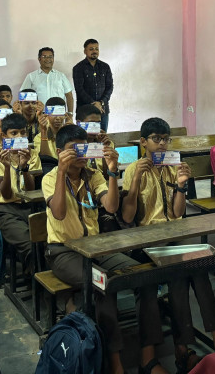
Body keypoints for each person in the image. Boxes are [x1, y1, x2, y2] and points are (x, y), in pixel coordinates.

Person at [42, 124, 166, 374]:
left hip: (97, 247)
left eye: (84, 148)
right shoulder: (50, 178)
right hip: (63, 252)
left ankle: (148, 356)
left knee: (145, 276)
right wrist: (61, 172)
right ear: (60, 152)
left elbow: (110, 207)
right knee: (103, 284)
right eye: (73, 149)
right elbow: (59, 212)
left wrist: (111, 171)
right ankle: (115, 361)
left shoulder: (92, 175)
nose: (81, 154)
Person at [122, 117, 215, 371]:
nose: (161, 144)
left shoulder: (173, 167)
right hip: (144, 240)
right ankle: (164, 353)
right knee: (156, 279)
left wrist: (181, 186)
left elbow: (178, 213)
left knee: (198, 267)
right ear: (143, 142)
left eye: (165, 139)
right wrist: (136, 180)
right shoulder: (133, 169)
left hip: (173, 236)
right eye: (156, 139)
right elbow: (127, 217)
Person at [0, 113, 41, 273]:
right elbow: (5, 194)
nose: (19, 136)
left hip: (31, 206)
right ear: (4, 136)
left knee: (46, 243)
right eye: (14, 133)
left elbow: (31, 190)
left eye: (23, 132)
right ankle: (36, 280)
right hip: (7, 210)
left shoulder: (31, 154)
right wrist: (6, 167)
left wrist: (24, 167)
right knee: (31, 246)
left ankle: (34, 274)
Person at [72, 39, 114, 132]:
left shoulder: (105, 67)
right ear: (85, 51)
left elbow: (110, 87)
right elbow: (79, 89)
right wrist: (94, 104)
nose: (94, 51)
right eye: (91, 49)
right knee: (83, 138)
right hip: (84, 112)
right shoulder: (78, 68)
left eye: (96, 49)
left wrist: (101, 103)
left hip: (102, 110)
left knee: (102, 137)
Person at [21, 47, 74, 116]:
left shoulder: (61, 76)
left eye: (50, 57)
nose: (48, 59)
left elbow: (69, 95)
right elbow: (23, 97)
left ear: (53, 59)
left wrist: (70, 114)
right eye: (44, 57)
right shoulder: (31, 76)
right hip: (38, 114)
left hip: (58, 114)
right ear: (39, 59)